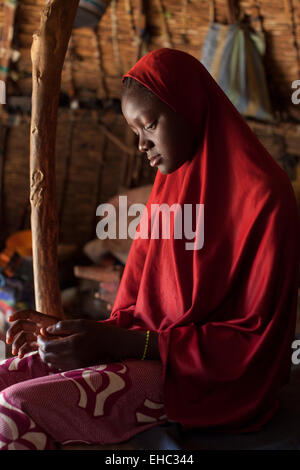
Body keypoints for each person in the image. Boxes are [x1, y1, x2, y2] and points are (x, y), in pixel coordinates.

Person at [0, 48, 299, 450]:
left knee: (15, 408)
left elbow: (253, 342)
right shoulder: (169, 188)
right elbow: (139, 312)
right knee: (5, 376)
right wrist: (64, 329)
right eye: (136, 132)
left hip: (211, 382)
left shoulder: (266, 199)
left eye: (150, 125)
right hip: (151, 355)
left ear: (190, 108)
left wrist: (121, 344)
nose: (142, 145)